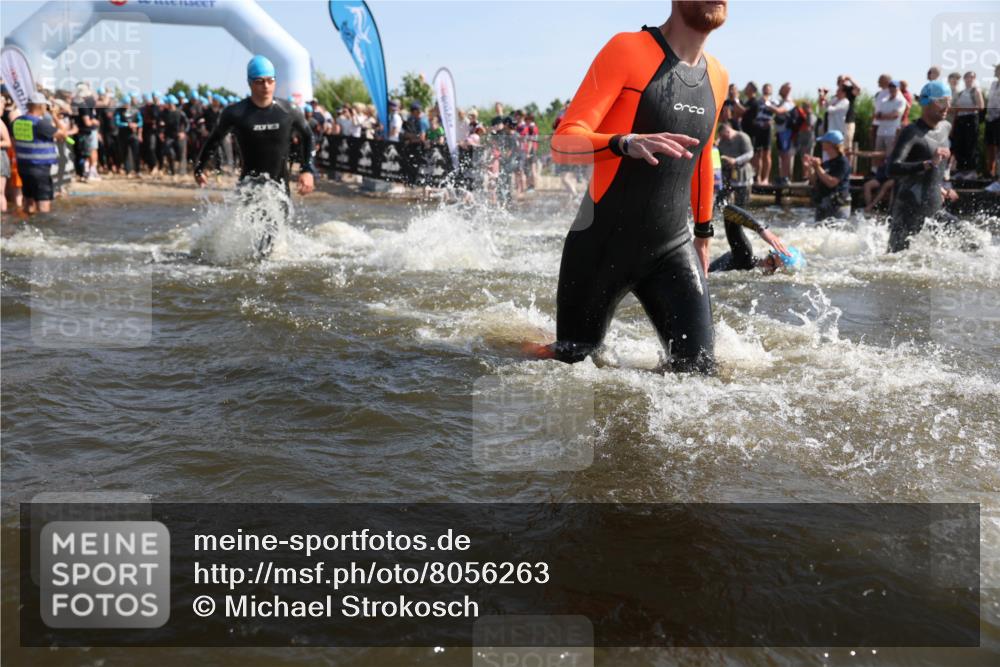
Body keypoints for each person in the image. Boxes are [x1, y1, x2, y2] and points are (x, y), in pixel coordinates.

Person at [542, 0, 729, 373]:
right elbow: (563, 142)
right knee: (572, 367)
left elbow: (703, 157)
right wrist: (624, 143)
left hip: (672, 248)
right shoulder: (627, 49)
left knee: (699, 372)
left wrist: (703, 236)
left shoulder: (719, 75)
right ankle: (518, 347)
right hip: (601, 245)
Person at [194, 56, 315, 258]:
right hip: (249, 187)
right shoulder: (236, 113)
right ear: (250, 83)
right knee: (258, 245)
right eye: (259, 81)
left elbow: (308, 136)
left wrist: (307, 170)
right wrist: (200, 167)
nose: (266, 86)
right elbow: (214, 139)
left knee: (272, 242)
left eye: (270, 80)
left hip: (279, 189)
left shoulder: (288, 110)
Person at [886, 80, 956, 253]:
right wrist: (927, 164)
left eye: (949, 101)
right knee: (895, 264)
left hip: (934, 208)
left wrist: (945, 185)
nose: (946, 106)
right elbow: (892, 168)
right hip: (907, 212)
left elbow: (940, 165)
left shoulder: (946, 127)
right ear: (925, 102)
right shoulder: (911, 132)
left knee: (973, 242)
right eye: (941, 101)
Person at [12, 92, 66, 214]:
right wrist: (54, 115)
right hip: (40, 169)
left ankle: (28, 227)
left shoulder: (16, 122)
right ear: (41, 106)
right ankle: (43, 230)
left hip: (23, 166)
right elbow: (63, 133)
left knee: (29, 201)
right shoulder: (40, 124)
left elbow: (13, 141)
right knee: (43, 203)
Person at [708, 204, 802, 274]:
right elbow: (728, 211)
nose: (769, 269)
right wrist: (760, 229)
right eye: (770, 260)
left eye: (775, 270)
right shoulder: (744, 256)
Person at [804, 129, 851, 221]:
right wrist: (810, 167)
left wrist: (817, 167)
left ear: (831, 144)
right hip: (824, 203)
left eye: (824, 141)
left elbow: (832, 182)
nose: (821, 143)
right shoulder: (826, 163)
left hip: (838, 205)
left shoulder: (843, 162)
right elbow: (814, 182)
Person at [952, 71, 984, 179]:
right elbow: (957, 109)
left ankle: (971, 170)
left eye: (971, 77)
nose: (969, 79)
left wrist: (963, 109)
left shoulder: (976, 91)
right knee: (960, 144)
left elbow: (981, 107)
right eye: (967, 77)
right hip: (960, 119)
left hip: (971, 118)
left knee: (970, 144)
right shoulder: (961, 93)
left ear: (974, 79)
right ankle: (961, 169)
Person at [716, 121, 753, 206]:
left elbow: (750, 153)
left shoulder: (742, 137)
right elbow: (718, 153)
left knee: (741, 204)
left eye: (724, 135)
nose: (724, 138)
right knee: (720, 202)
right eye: (721, 136)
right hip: (727, 175)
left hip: (742, 175)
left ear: (728, 131)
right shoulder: (722, 140)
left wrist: (736, 161)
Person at [872, 80, 906, 170]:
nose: (891, 89)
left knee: (890, 154)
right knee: (878, 153)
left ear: (898, 88)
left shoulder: (901, 101)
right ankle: (876, 172)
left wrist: (882, 116)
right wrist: (885, 116)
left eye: (894, 87)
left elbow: (895, 115)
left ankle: (889, 172)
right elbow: (876, 115)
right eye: (890, 87)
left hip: (892, 131)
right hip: (881, 130)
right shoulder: (884, 100)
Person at [772, 82, 796, 185]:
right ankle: (782, 176)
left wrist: (768, 105)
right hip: (780, 131)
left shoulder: (789, 102)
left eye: (783, 89)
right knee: (781, 154)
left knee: (786, 155)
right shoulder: (780, 100)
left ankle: (786, 177)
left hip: (786, 131)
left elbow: (779, 111)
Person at [986, 64, 1000, 185]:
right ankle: (992, 174)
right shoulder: (993, 84)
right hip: (991, 119)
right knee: (990, 146)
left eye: (997, 69)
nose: (995, 71)